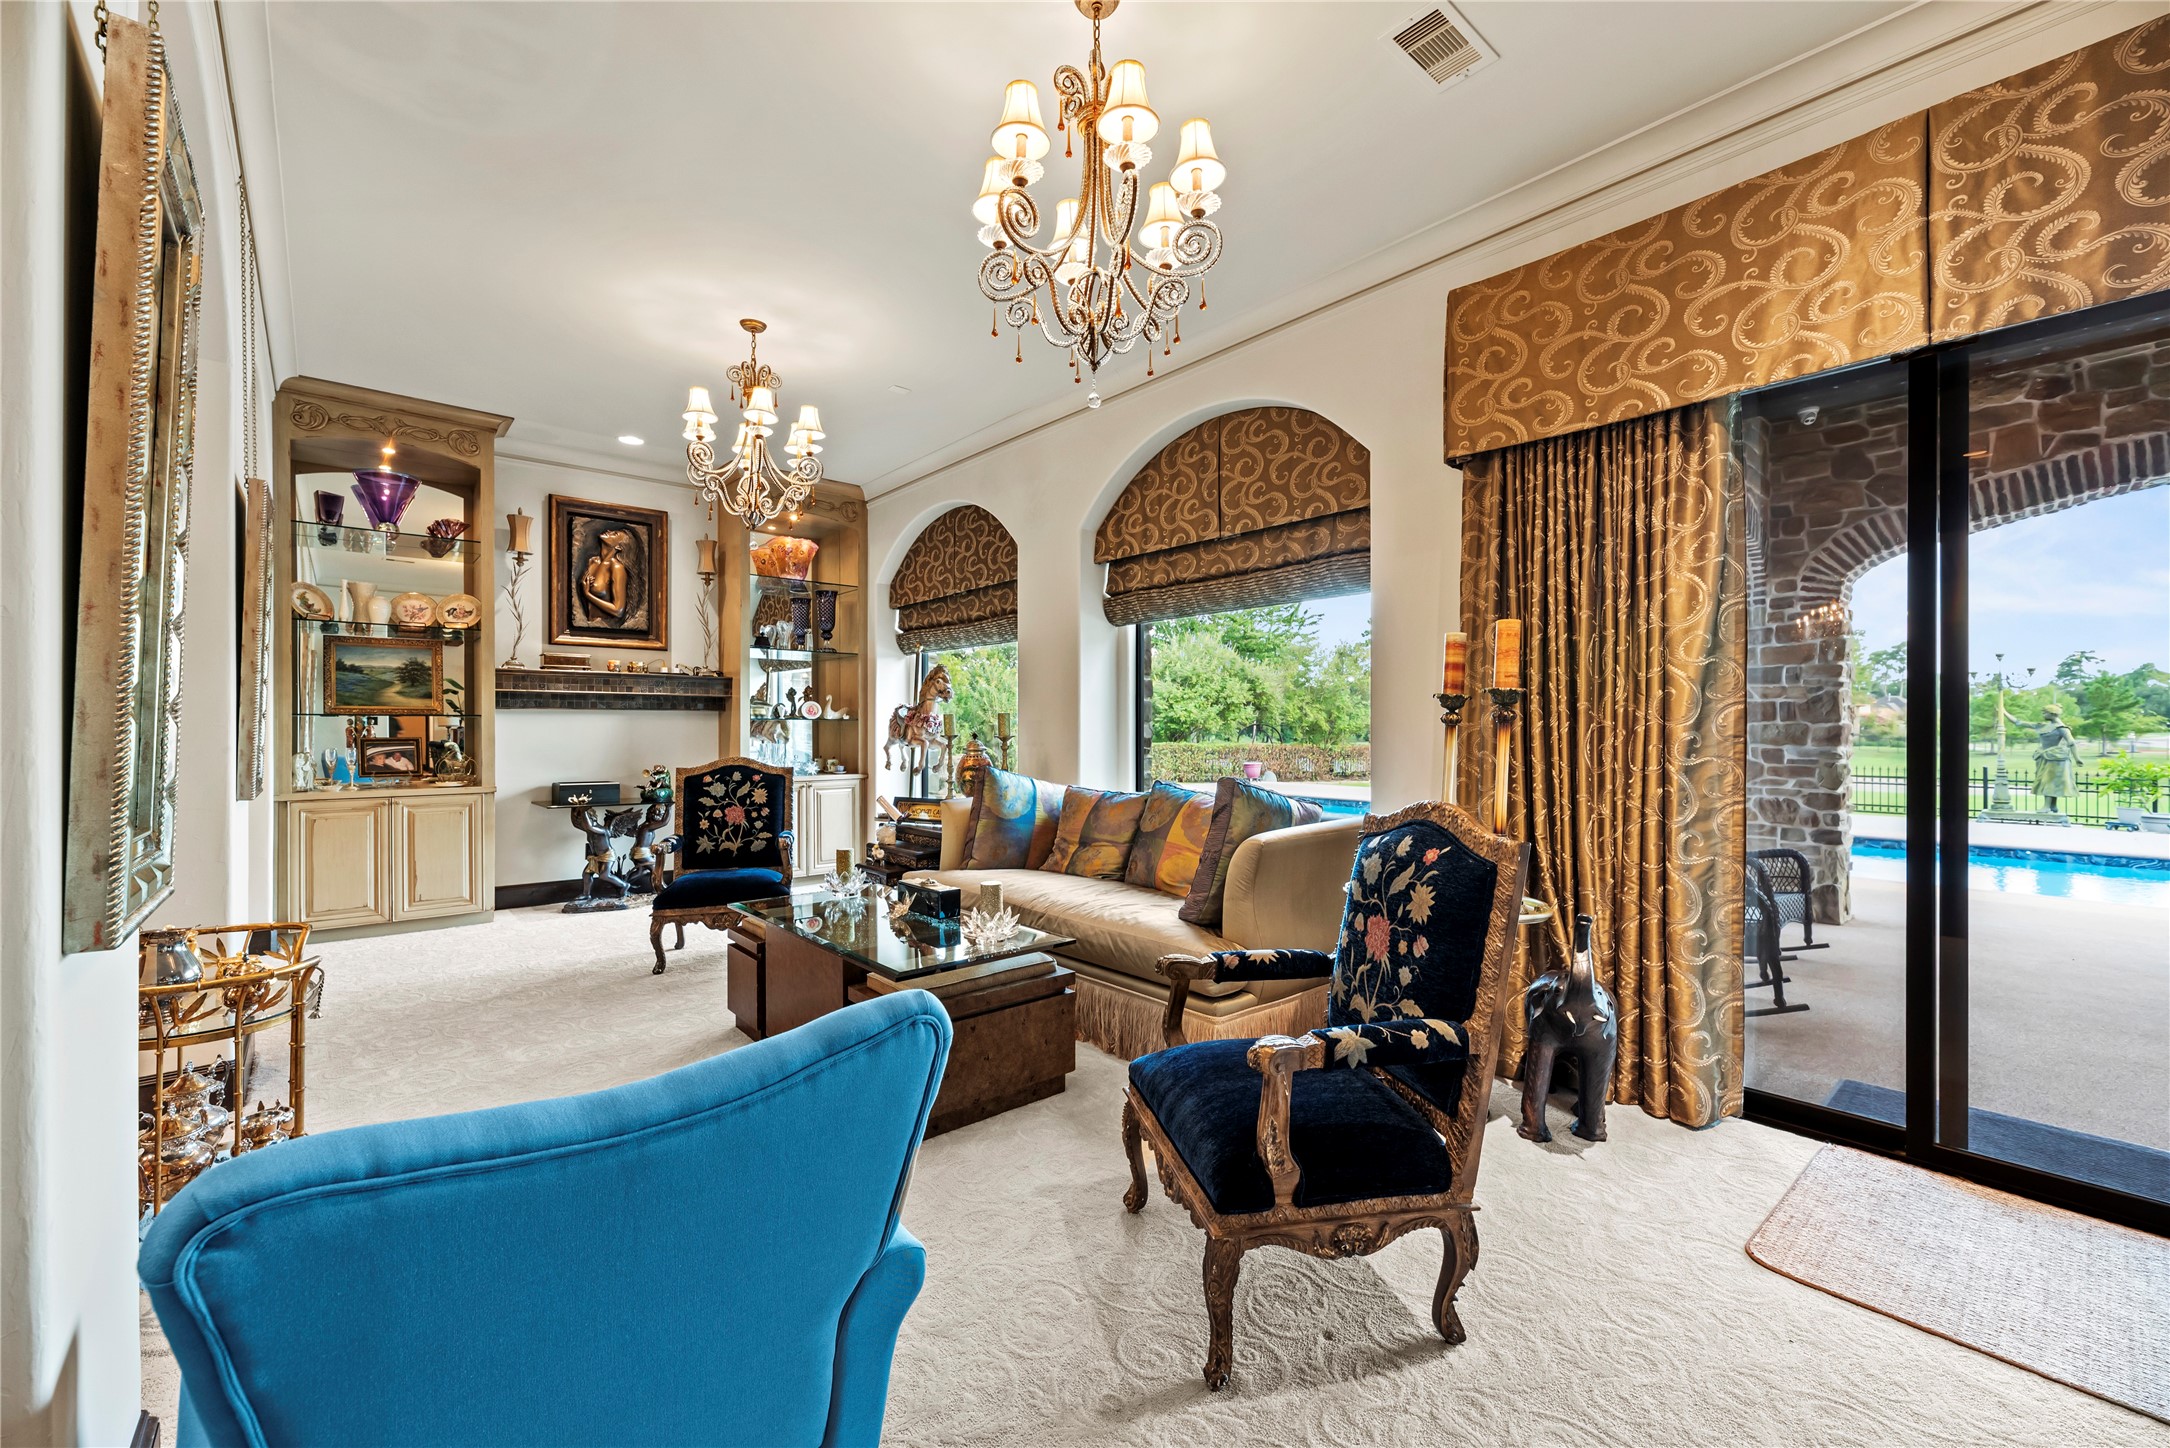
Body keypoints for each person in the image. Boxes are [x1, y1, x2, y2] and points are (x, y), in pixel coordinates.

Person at [2032, 702, 2078, 814]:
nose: (2043, 714)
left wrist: (2077, 758)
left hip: (2054, 757)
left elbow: (2071, 742)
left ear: (2052, 714)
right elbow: (2019, 723)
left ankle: (2047, 806)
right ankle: (2053, 806)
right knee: (2048, 780)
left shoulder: (2061, 728)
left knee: (2048, 781)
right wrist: (2004, 713)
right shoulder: (2045, 726)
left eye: (2045, 712)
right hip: (2047, 757)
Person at [580, 528, 633, 622]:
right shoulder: (592, 561)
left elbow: (618, 610)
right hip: (588, 625)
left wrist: (587, 594)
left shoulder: (617, 568)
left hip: (605, 628)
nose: (609, 531)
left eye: (615, 533)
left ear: (618, 547)